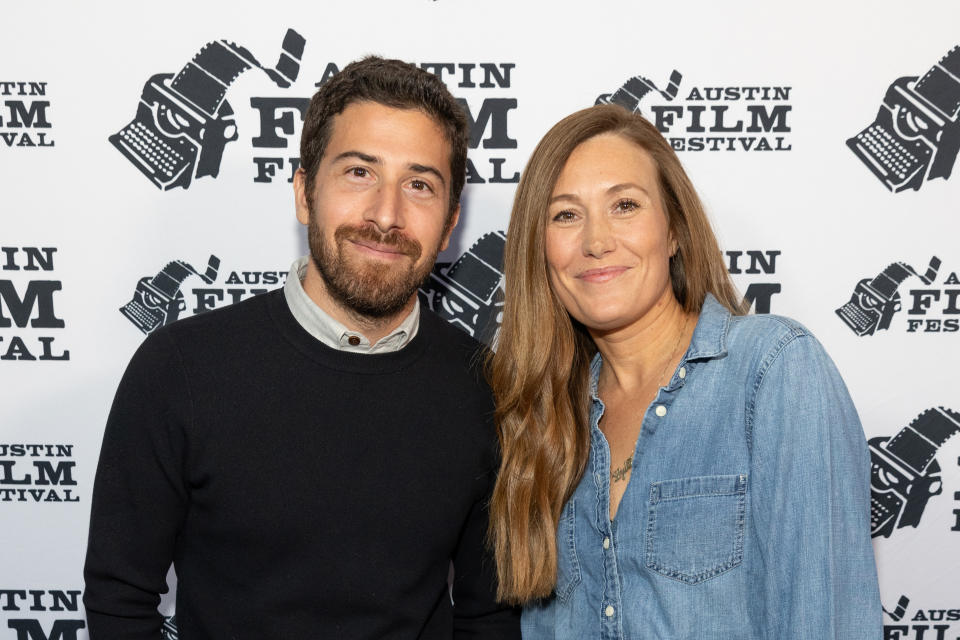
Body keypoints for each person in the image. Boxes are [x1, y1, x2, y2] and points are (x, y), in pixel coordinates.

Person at [84, 56, 520, 640]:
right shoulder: (181, 370)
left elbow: (488, 615)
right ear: (304, 194)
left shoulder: (484, 388)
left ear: (448, 225)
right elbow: (120, 602)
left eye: (419, 185)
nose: (386, 215)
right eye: (359, 173)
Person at [488, 104, 882, 638]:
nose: (596, 241)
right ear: (540, 247)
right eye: (565, 215)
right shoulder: (542, 416)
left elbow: (828, 620)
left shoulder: (773, 372)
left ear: (673, 230)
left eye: (624, 205)